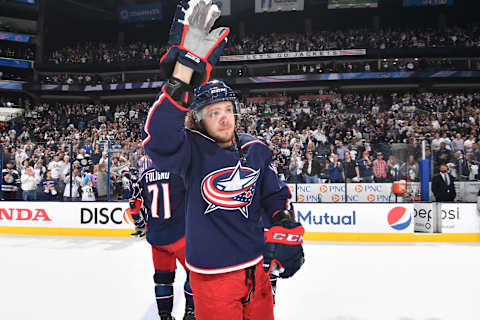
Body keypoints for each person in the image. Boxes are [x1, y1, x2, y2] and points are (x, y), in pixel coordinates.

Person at [142, 1, 305, 319]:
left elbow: (273, 195)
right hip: (212, 277)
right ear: (199, 120)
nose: (224, 117)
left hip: (256, 273)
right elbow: (159, 136)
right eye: (214, 112)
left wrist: (284, 222)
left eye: (228, 109)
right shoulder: (191, 150)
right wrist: (182, 74)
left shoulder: (256, 148)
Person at [127, 167, 195, 320]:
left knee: (162, 280)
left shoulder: (145, 174)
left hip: (157, 238)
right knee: (194, 275)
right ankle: (191, 313)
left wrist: (139, 224)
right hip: (181, 235)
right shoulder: (180, 171)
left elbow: (134, 205)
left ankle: (164, 316)